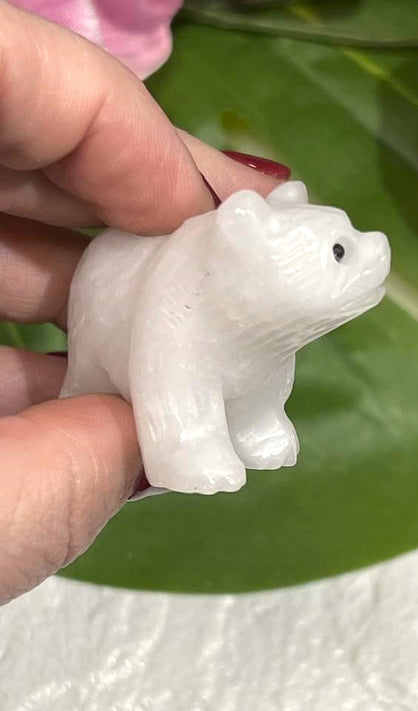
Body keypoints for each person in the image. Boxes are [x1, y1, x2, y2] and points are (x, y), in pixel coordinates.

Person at [0, 1, 287, 605]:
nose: (374, 251)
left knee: (260, 371)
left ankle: (255, 428)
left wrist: (260, 420)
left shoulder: (266, 325)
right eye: (339, 253)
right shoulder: (184, 311)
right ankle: (176, 442)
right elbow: (172, 380)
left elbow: (266, 372)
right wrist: (179, 445)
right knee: (155, 381)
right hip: (111, 298)